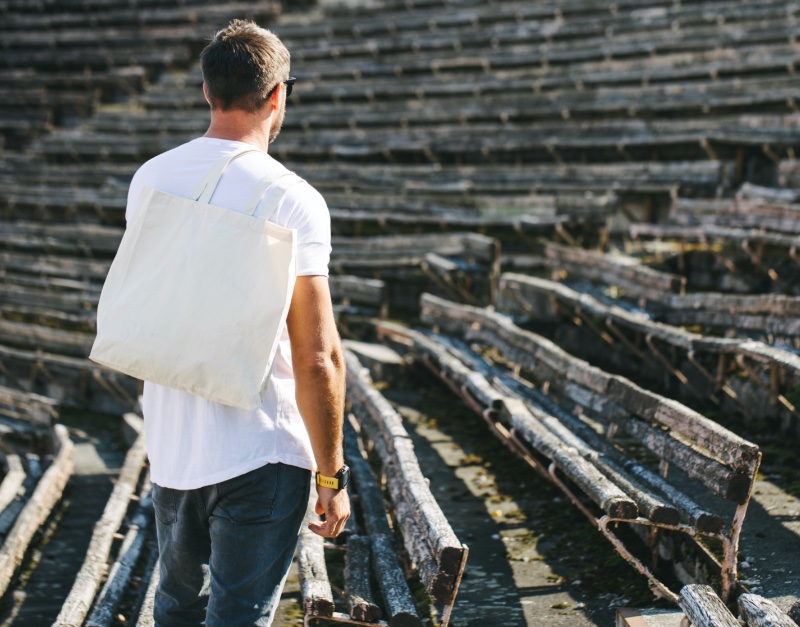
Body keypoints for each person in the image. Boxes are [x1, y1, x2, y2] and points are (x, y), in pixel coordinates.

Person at [124, 19, 350, 626]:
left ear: (206, 91)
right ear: (278, 95)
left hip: (173, 446)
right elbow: (317, 356)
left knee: (175, 614)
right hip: (261, 449)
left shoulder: (151, 178)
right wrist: (331, 473)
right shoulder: (292, 197)